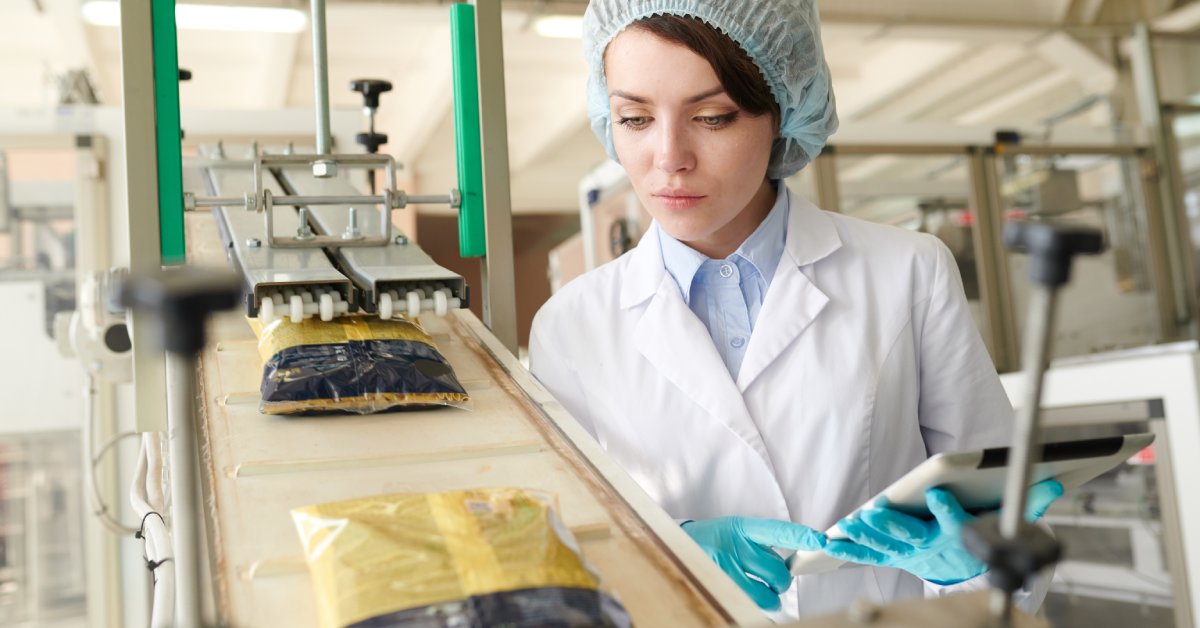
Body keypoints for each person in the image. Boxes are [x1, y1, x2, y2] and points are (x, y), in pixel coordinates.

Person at [529, 0, 1060, 619]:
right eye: (635, 117)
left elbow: (997, 511)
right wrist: (662, 556)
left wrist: (979, 562)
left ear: (782, 111)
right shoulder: (571, 326)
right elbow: (566, 560)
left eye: (712, 116)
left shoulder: (907, 271)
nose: (669, 156)